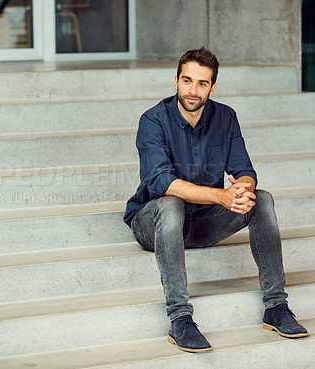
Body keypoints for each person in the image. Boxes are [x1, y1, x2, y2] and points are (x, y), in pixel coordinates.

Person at [124, 47, 309, 353]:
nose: (192, 90)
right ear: (176, 81)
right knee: (172, 204)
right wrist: (221, 196)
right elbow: (162, 183)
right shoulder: (153, 121)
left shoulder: (225, 117)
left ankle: (275, 307)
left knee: (261, 199)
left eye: (201, 83)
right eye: (187, 81)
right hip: (154, 224)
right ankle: (180, 318)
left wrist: (241, 189)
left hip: (203, 222)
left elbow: (244, 171)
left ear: (213, 86)